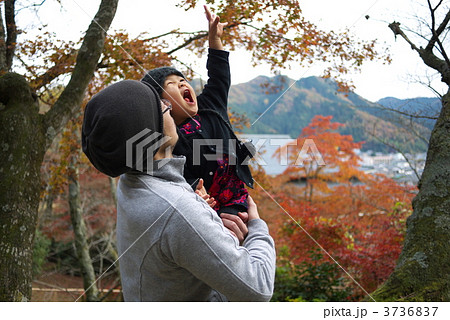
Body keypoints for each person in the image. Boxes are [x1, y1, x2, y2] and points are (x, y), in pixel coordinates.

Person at [81, 79, 276, 301]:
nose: (168, 106)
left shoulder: (131, 179)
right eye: (160, 105)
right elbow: (258, 288)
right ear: (151, 131)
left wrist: (205, 221)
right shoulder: (177, 210)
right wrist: (257, 227)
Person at [142, 6, 254, 216]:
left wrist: (215, 41)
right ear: (161, 103)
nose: (183, 84)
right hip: (205, 208)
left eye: (183, 80)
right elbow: (171, 174)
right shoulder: (166, 137)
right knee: (226, 239)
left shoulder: (210, 106)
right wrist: (192, 189)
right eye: (172, 84)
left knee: (241, 232)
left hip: (236, 198)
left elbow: (219, 76)